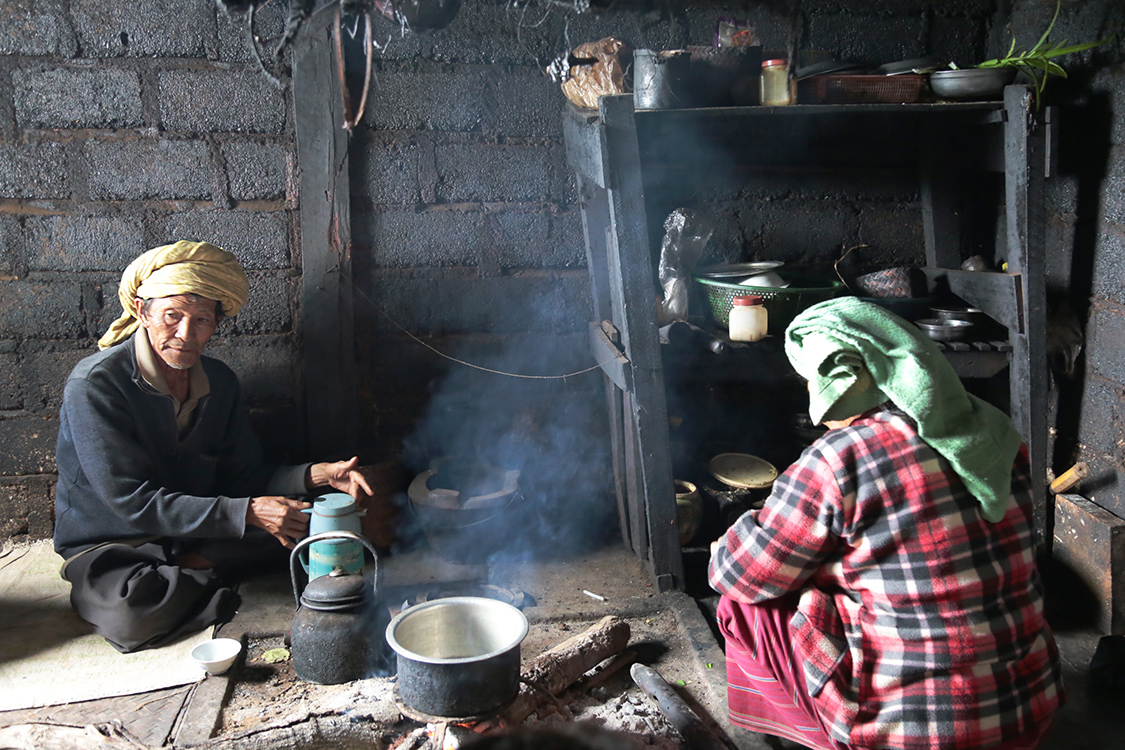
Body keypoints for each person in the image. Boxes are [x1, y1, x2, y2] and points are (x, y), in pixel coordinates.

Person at [709, 297, 1063, 750]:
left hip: (916, 736)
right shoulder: (995, 433)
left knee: (743, 603)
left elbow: (739, 576)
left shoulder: (839, 458)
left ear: (835, 380)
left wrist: (730, 540)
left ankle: (813, 739)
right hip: (1028, 715)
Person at [54, 240, 376, 653]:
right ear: (141, 311)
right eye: (172, 316)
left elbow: (243, 476)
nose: (186, 334)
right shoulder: (96, 384)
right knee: (132, 615)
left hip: (199, 522)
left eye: (202, 319)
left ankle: (194, 566)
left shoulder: (219, 382)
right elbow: (131, 501)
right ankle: (200, 567)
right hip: (118, 542)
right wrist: (246, 512)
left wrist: (315, 475)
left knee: (315, 531)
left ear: (216, 323)